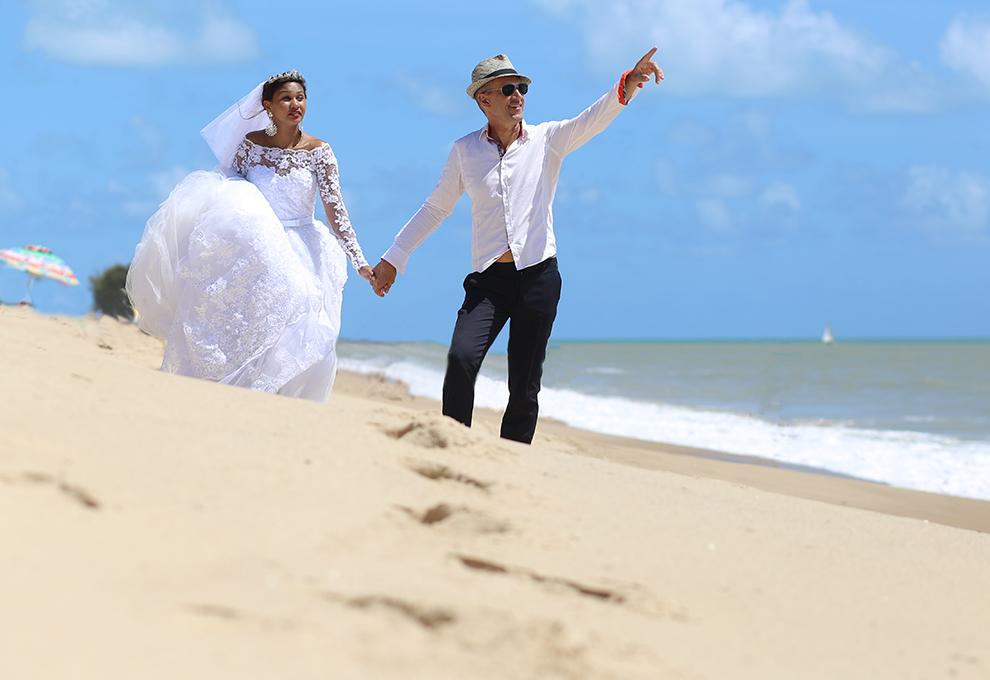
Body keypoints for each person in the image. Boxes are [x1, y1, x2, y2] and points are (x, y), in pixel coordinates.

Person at [370, 49, 664, 443]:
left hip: (539, 277)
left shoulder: (547, 140)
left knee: (524, 385)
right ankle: (452, 442)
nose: (517, 95)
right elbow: (436, 207)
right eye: (507, 89)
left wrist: (628, 83)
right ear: (484, 99)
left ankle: (513, 458)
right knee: (461, 358)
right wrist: (394, 256)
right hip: (489, 282)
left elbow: (592, 120)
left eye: (521, 87)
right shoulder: (465, 151)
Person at [126, 70, 373, 402]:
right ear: (268, 106)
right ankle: (239, 397)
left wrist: (360, 261)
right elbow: (230, 193)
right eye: (286, 98)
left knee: (305, 324)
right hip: (255, 248)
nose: (295, 104)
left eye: (300, 98)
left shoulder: (319, 151)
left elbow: (335, 210)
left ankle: (284, 402)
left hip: (304, 247)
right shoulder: (251, 146)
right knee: (249, 326)